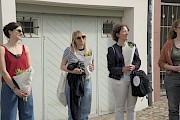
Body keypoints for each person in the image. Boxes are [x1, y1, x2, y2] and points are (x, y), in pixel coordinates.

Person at [107, 23, 141, 120]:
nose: (126, 33)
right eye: (124, 31)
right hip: (119, 81)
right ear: (117, 34)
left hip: (132, 80)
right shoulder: (112, 49)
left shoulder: (132, 46)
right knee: (120, 107)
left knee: (131, 108)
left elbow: (138, 61)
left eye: (127, 31)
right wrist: (122, 69)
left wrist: (134, 67)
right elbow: (111, 67)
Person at [0, 22, 34, 120]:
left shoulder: (25, 48)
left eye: (22, 31)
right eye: (18, 31)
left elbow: (30, 70)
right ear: (10, 32)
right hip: (9, 86)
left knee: (28, 115)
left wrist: (29, 87)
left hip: (25, 85)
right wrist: (14, 89)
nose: (21, 33)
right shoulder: (2, 49)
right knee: (8, 116)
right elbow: (3, 71)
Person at [60, 30, 94, 120]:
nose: (81, 39)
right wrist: (72, 71)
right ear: (74, 40)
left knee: (85, 110)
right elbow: (62, 66)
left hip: (86, 80)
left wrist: (91, 68)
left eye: (83, 37)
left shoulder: (89, 51)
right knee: (73, 111)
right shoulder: (69, 50)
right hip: (73, 81)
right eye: (78, 38)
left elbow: (92, 66)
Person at [158, 19, 180, 120]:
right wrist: (174, 68)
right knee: (173, 109)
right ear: (175, 29)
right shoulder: (169, 44)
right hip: (172, 78)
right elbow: (161, 63)